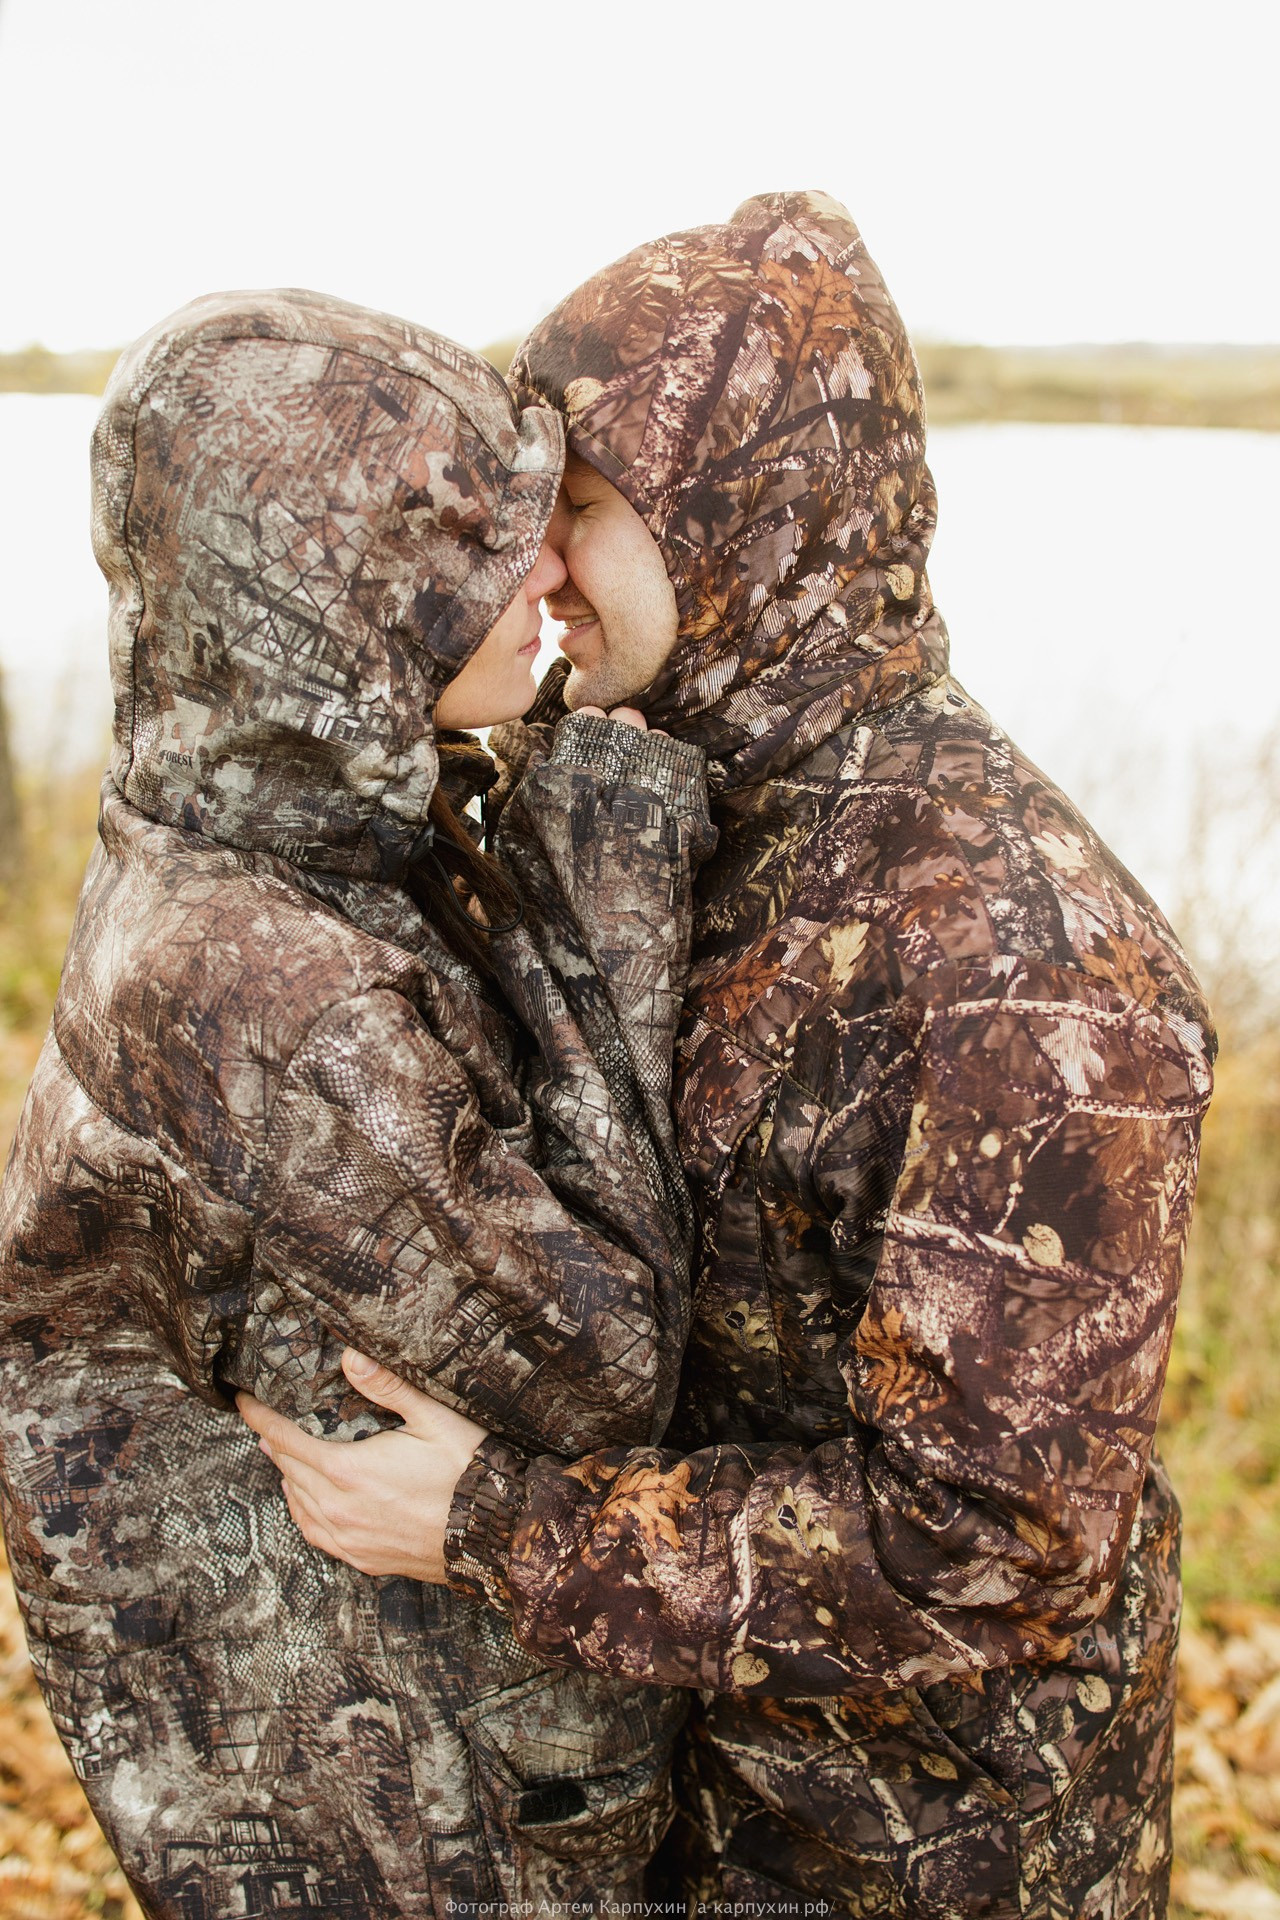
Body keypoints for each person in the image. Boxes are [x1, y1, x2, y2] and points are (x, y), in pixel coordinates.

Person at [246, 194, 1218, 1918]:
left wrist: (494, 1528)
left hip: (928, 1864)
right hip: (693, 1812)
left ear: (747, 521)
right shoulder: (681, 817)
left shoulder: (1027, 965)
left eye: (587, 515)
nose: (533, 569)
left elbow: (984, 1547)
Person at [0, 287, 716, 1916]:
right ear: (331, 600)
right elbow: (605, 1359)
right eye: (482, 540)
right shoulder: (265, 991)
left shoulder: (243, 837)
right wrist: (609, 877)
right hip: (398, 1834)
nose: (546, 572)